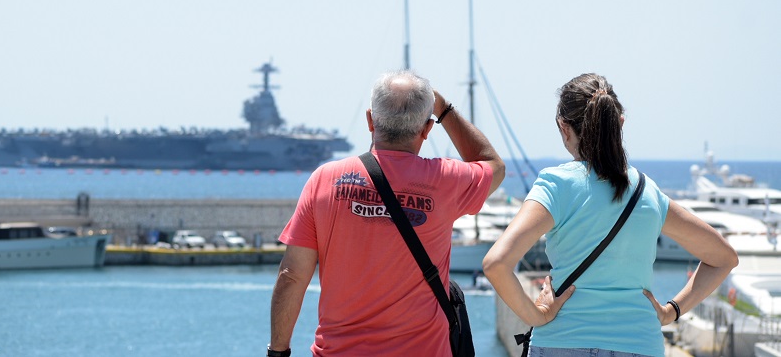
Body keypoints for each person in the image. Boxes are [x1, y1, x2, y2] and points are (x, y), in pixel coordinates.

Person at [482, 73, 739, 357]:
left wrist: (537, 315)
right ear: (620, 123)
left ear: (563, 128)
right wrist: (671, 311)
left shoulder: (556, 185)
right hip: (640, 345)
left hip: (562, 343)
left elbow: (496, 263)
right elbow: (724, 258)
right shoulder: (647, 192)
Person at [268, 70, 506, 356]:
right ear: (427, 129)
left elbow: (292, 275)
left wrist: (278, 351)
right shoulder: (446, 179)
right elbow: (493, 165)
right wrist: (443, 109)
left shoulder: (324, 180)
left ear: (370, 120)